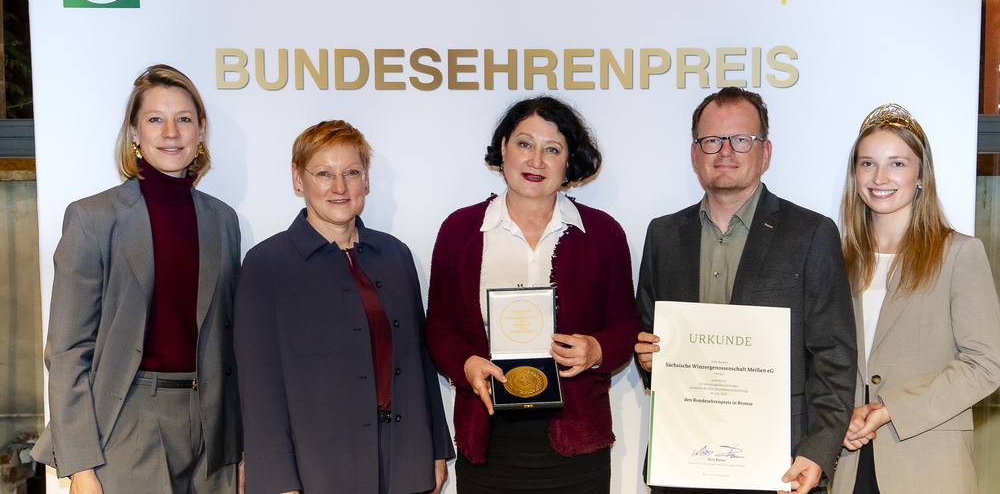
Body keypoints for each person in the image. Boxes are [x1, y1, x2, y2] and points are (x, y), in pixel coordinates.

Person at [633, 87, 857, 494]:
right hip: (682, 460)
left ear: (765, 152)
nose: (725, 152)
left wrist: (819, 450)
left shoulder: (811, 234)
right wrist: (646, 357)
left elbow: (834, 356)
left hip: (782, 466)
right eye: (711, 140)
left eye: (741, 140)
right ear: (694, 153)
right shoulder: (663, 234)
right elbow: (645, 330)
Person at [30, 65, 242, 493]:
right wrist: (82, 467)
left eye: (184, 119)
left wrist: (239, 449)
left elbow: (230, 344)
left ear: (201, 132)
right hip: (126, 425)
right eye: (154, 119)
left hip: (212, 432)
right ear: (133, 132)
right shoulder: (92, 219)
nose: (171, 131)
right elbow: (69, 351)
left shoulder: (223, 220)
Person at [424, 96, 640, 494]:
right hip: (487, 439)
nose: (536, 161)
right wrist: (466, 364)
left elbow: (626, 325)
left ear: (568, 161)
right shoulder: (459, 231)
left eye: (552, 149)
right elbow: (439, 325)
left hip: (577, 443)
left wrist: (595, 349)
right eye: (525, 144)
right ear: (503, 147)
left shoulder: (603, 234)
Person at [234, 120, 454, 494]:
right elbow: (258, 386)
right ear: (297, 179)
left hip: (402, 458)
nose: (339, 187)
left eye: (351, 172)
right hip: (315, 469)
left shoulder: (396, 255)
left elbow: (418, 360)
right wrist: (277, 480)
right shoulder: (266, 264)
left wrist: (434, 449)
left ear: (366, 181)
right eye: (324, 173)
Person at [830, 104, 1000, 494]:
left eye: (897, 164)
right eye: (867, 163)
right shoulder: (833, 257)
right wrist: (837, 419)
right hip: (847, 464)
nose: (880, 177)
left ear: (921, 174)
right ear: (855, 174)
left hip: (930, 464)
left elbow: (986, 364)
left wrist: (891, 409)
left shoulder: (959, 253)